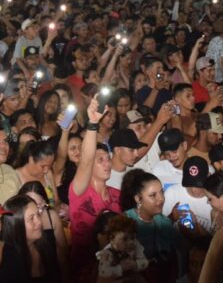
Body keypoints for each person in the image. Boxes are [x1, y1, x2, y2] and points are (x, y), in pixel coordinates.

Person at [68, 97, 121, 273]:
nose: (107, 164)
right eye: (100, 160)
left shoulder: (117, 195)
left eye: (108, 159)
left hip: (117, 268)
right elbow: (86, 160)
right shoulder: (80, 191)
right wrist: (92, 124)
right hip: (85, 269)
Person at [121, 169, 183, 282]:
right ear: (138, 199)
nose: (161, 199)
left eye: (162, 192)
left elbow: (175, 258)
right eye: (153, 195)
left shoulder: (165, 223)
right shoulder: (123, 223)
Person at [95, 213, 148, 282]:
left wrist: (135, 264)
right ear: (112, 239)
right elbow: (104, 272)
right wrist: (121, 268)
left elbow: (145, 262)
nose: (130, 242)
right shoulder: (107, 253)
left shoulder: (136, 247)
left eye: (132, 238)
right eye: (125, 239)